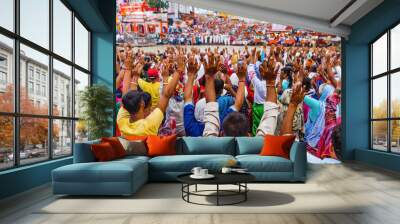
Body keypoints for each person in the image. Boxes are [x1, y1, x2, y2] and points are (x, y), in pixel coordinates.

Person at [117, 53, 184, 137]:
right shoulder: (149, 124)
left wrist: (128, 69)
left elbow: (125, 96)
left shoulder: (121, 121)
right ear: (142, 104)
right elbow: (166, 96)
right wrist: (178, 70)